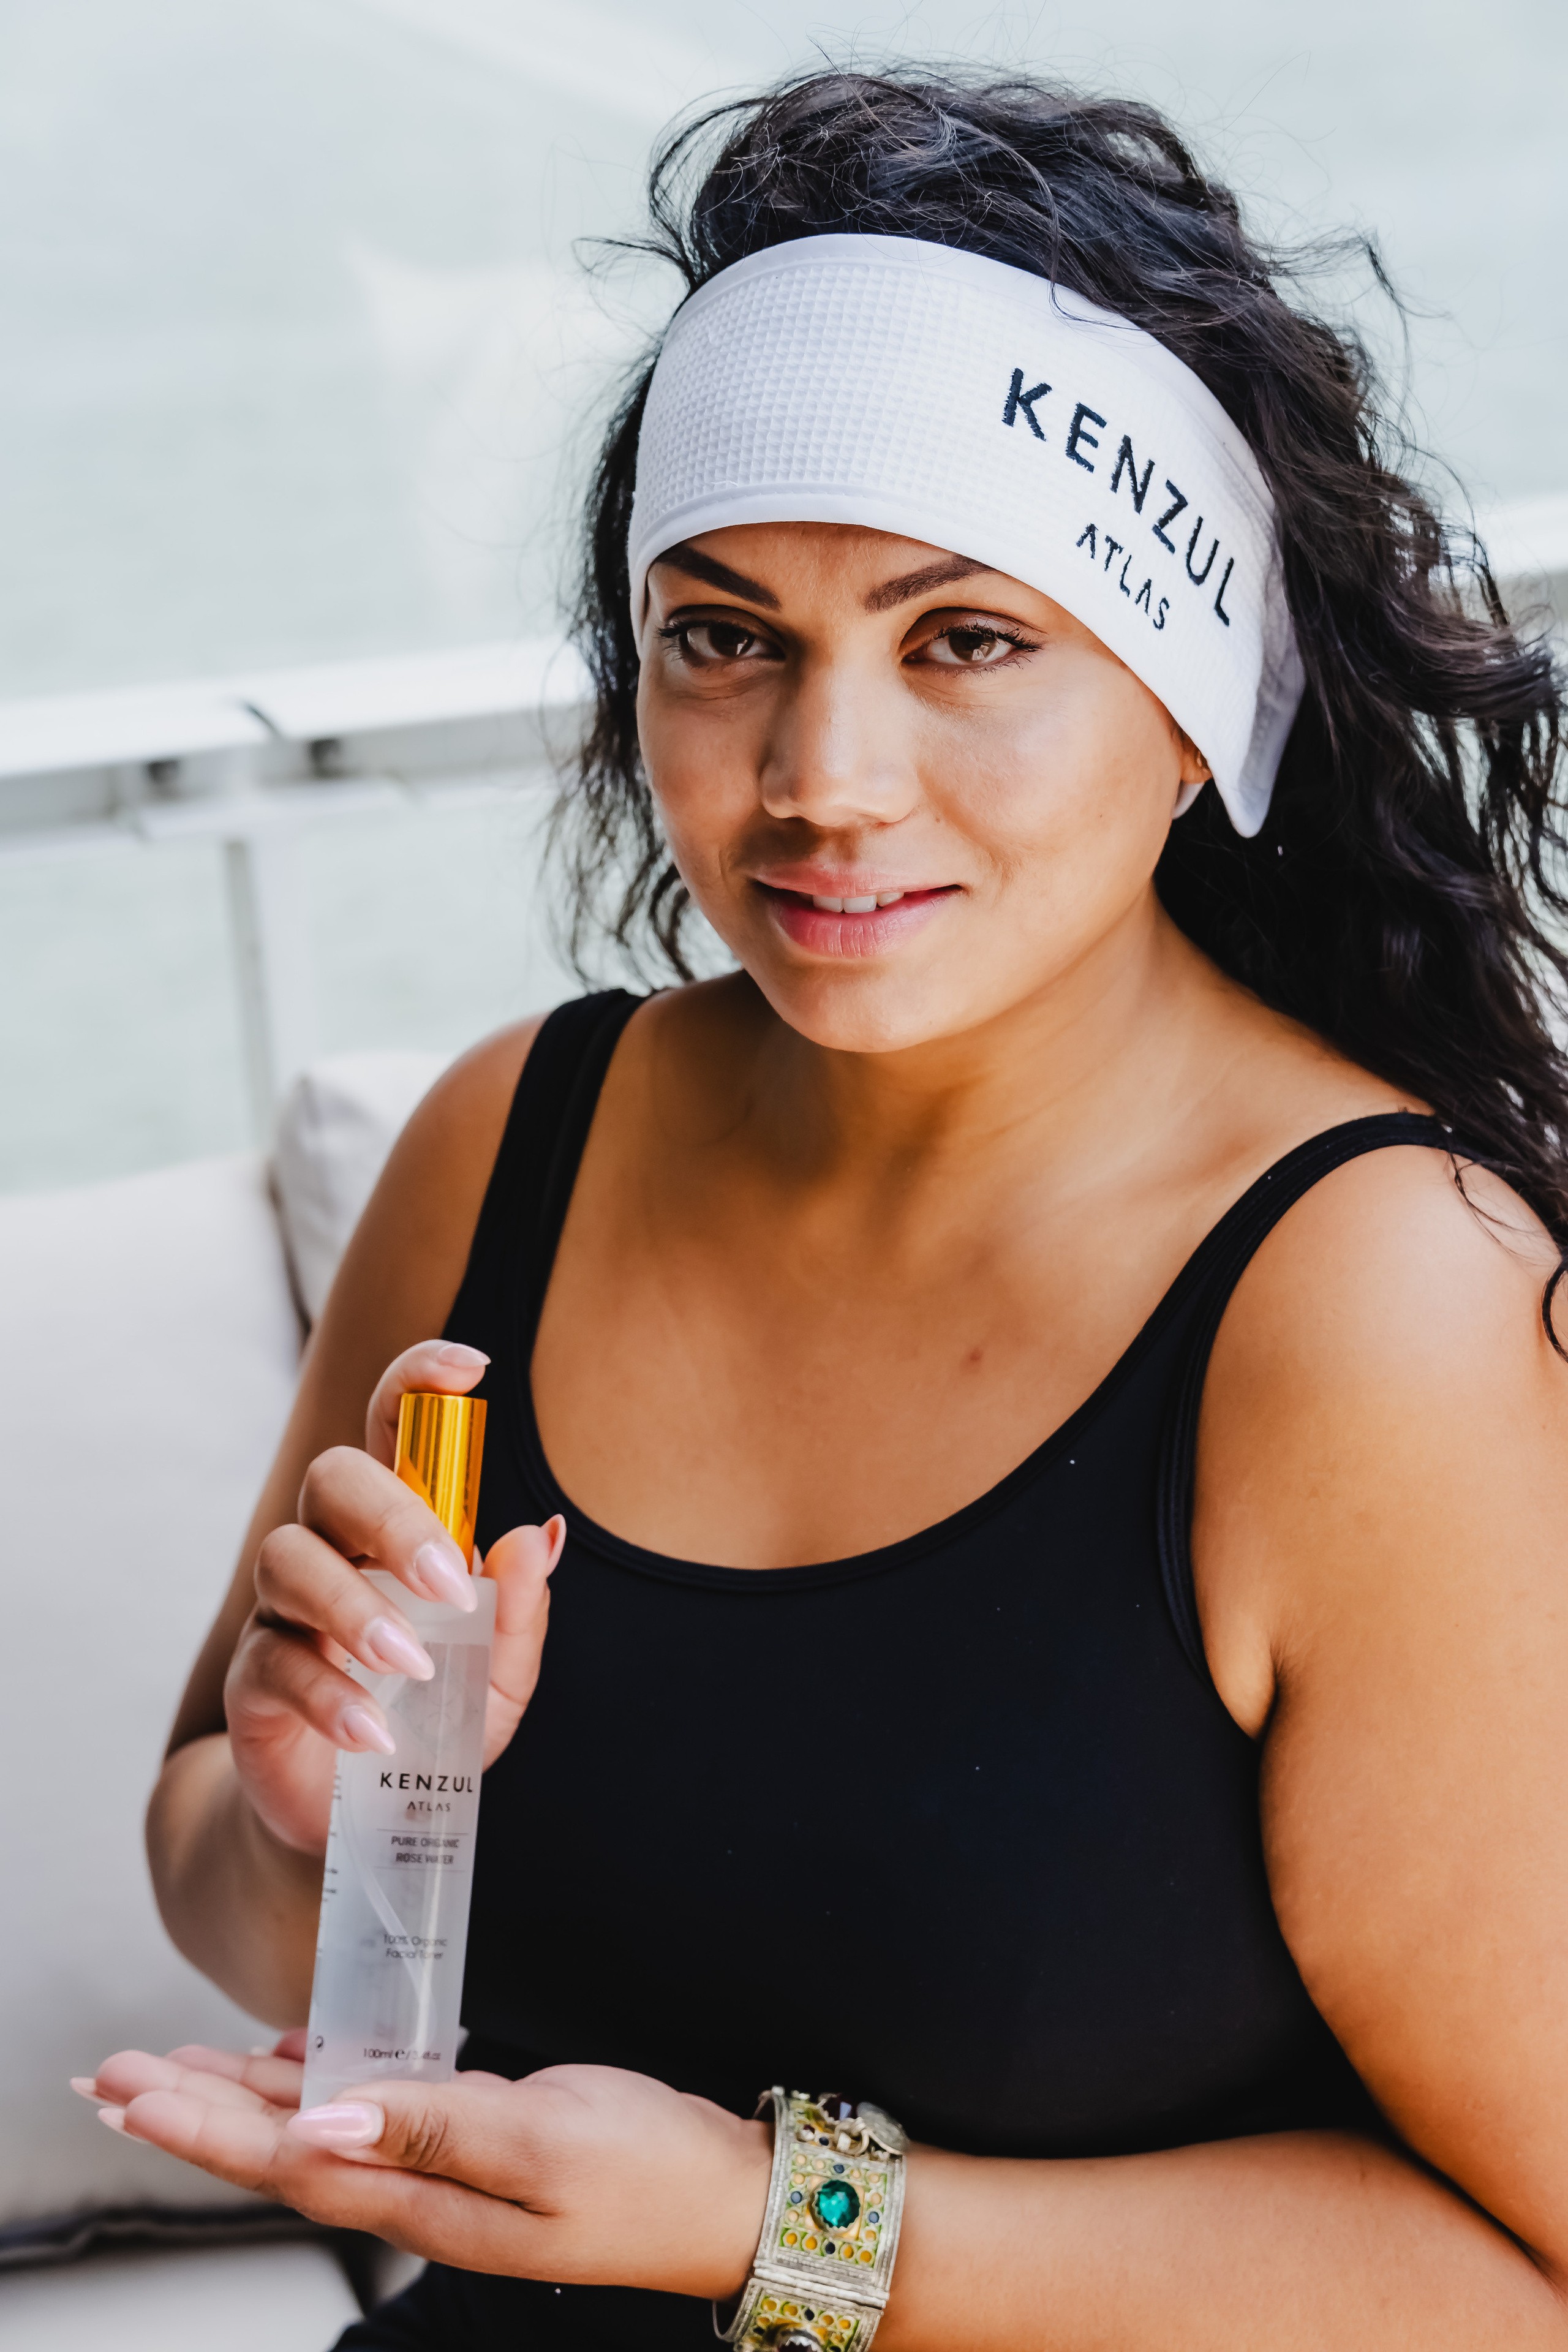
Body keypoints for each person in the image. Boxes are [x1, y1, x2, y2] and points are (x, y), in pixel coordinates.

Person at [79, 68, 1568, 2350]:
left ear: (1193, 705)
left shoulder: (1380, 1307)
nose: (821, 781)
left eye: (965, 640)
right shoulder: (515, 1137)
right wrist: (314, 1819)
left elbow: (1534, 2272)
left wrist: (771, 2220)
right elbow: (226, 1882)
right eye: (725, 635)